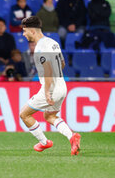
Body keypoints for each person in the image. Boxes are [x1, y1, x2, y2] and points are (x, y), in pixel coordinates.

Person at [19, 16, 81, 155]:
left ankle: (44, 142)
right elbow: (62, 63)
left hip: (51, 88)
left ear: (32, 31)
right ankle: (72, 137)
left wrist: (47, 92)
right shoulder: (53, 42)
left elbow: (47, 70)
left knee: (24, 114)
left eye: (25, 31)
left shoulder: (40, 48)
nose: (24, 34)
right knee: (49, 116)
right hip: (62, 86)